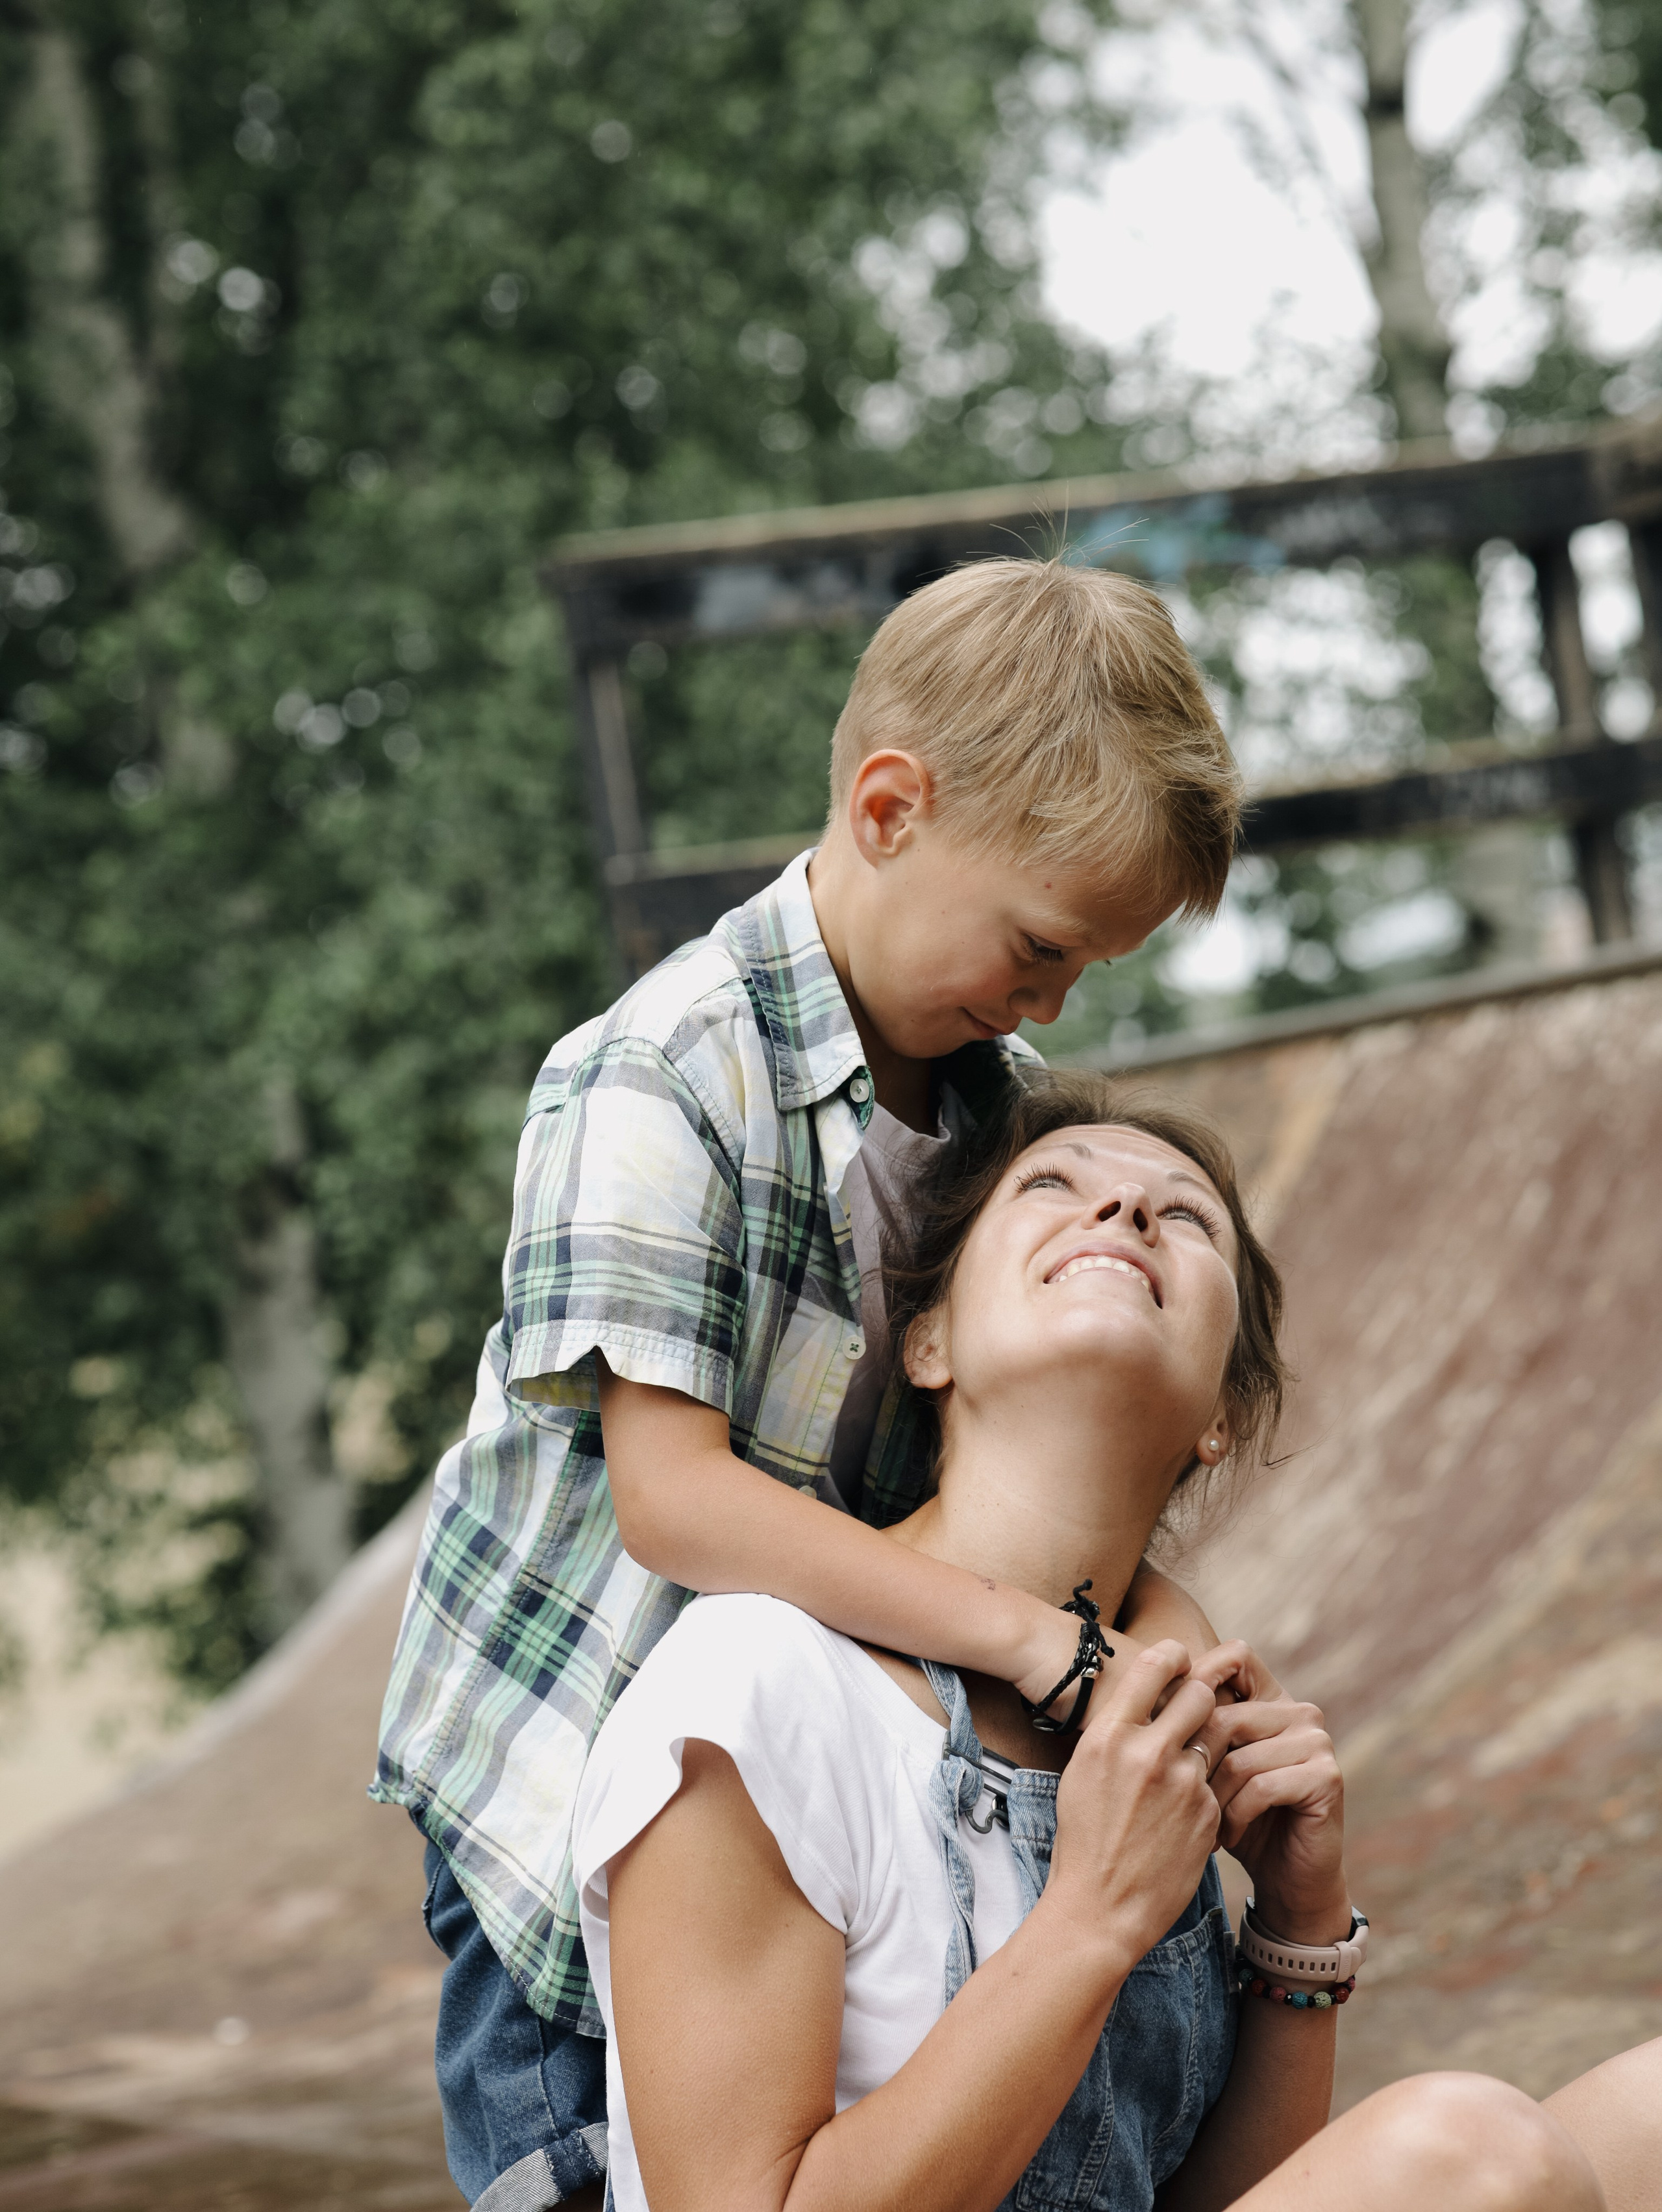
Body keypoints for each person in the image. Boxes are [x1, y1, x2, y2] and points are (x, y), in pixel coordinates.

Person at [372, 557, 1246, 2208]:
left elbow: (1024, 1477)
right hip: (571, 1802)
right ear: (890, 807)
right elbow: (676, 1503)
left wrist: (1153, 1657)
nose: (1051, 1001)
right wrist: (1030, 1647)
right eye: (1041, 945)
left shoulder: (1003, 1107)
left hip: (825, 1776)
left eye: (1085, 974)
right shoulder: (661, 1069)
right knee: (592, 2160)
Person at [572, 1073, 1662, 2212]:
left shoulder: (1165, 1733)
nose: (1128, 1215)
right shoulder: (758, 1685)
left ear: (1219, 1420)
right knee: (1471, 2148)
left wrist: (1297, 1927)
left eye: (1184, 1217)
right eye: (1053, 1185)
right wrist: (1093, 1916)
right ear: (928, 1342)